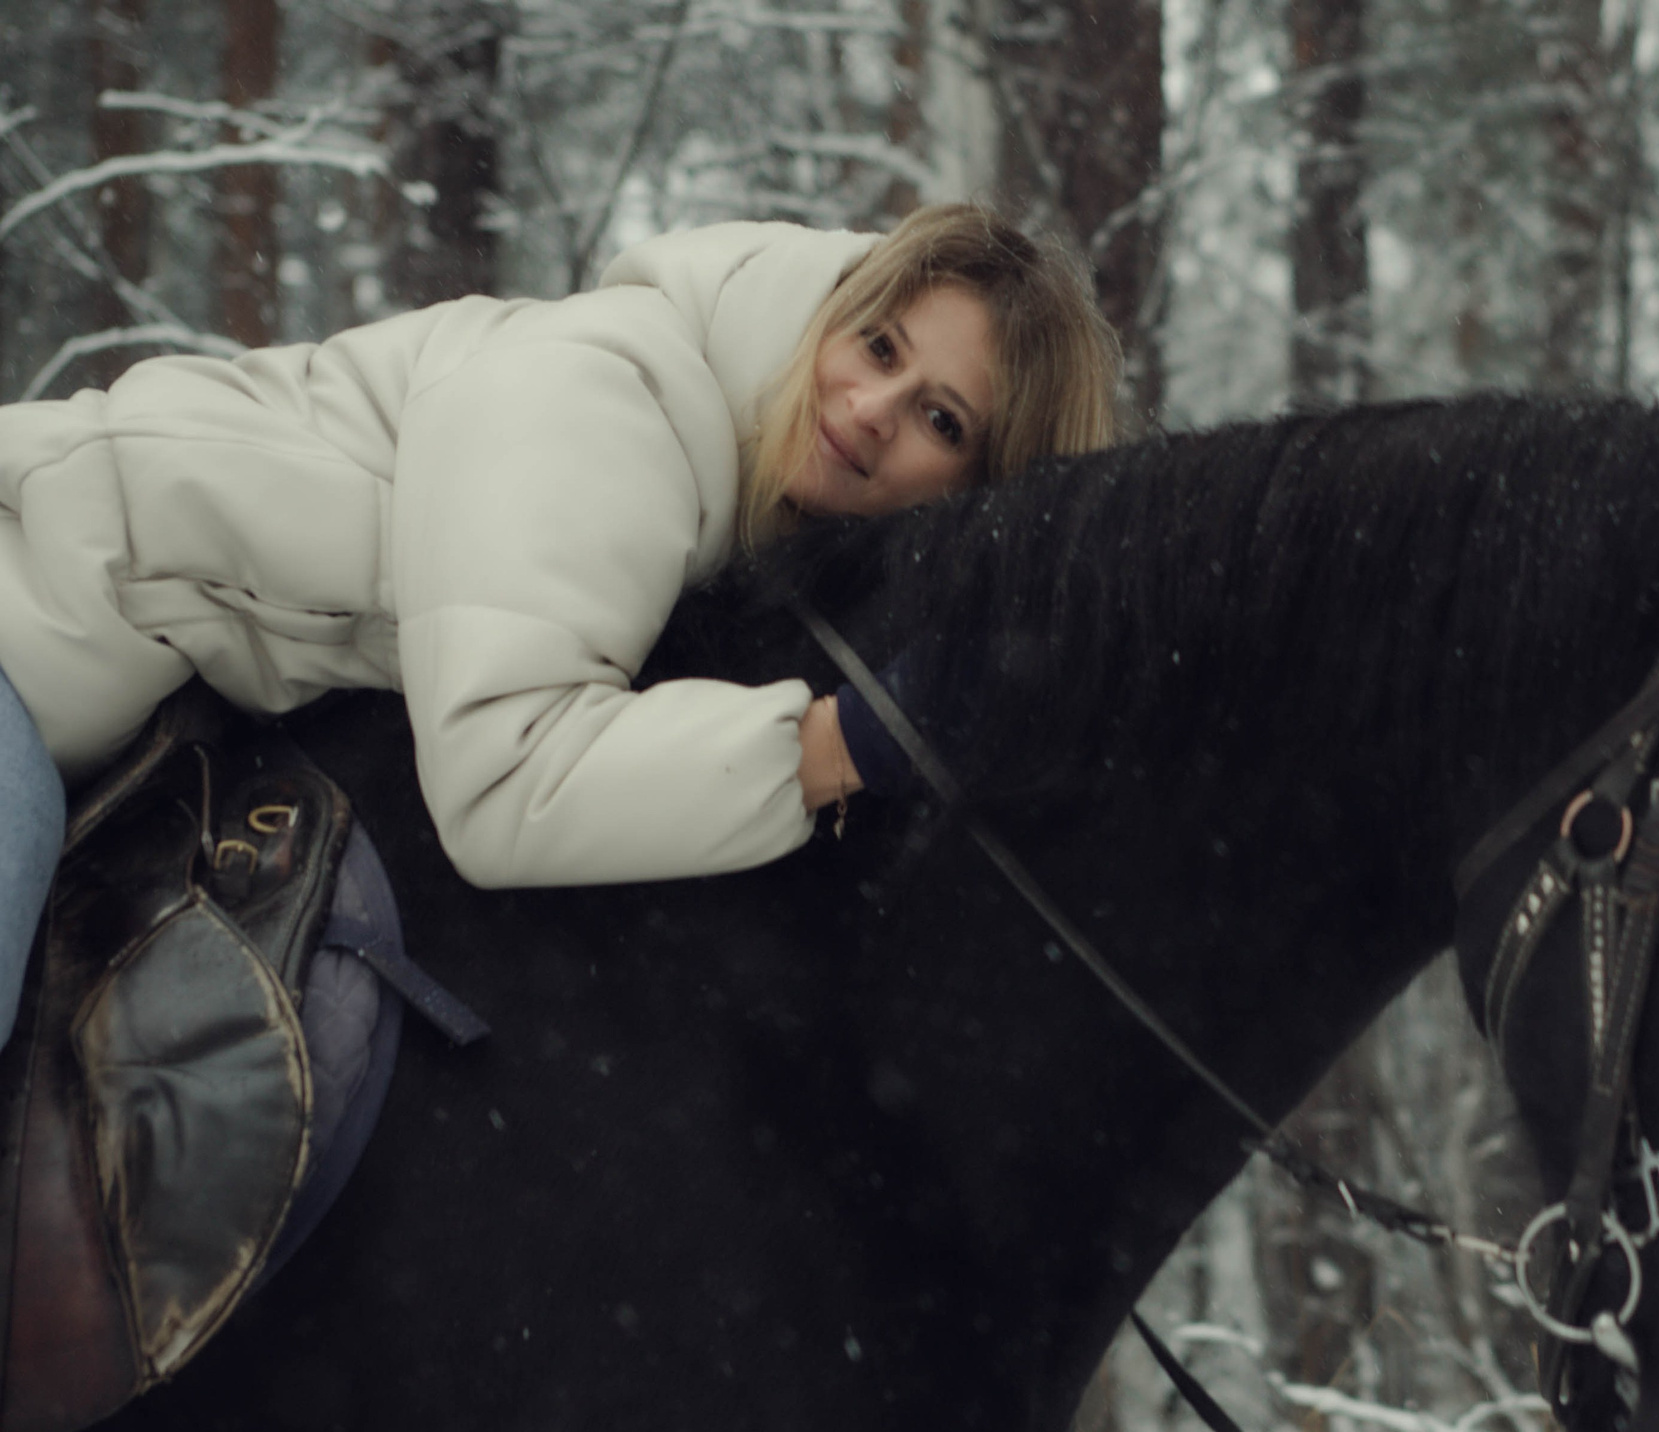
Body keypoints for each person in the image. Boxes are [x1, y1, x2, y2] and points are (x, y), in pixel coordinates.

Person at [0, 204, 1122, 1041]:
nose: (870, 412)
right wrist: (840, 748)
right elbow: (506, 783)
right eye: (877, 347)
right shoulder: (618, 398)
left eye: (939, 416)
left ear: (978, 493)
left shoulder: (735, 495)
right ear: (832, 314)